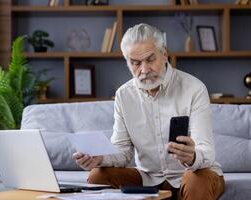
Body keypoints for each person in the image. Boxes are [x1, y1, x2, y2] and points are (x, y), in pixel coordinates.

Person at [72, 23, 225, 200]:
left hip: (195, 174)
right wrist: (100, 158)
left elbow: (206, 150)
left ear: (164, 54)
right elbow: (122, 151)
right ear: (127, 62)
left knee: (195, 179)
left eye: (150, 60)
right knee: (97, 175)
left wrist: (193, 156)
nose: (144, 70)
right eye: (135, 63)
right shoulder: (123, 95)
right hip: (148, 178)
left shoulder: (194, 89)